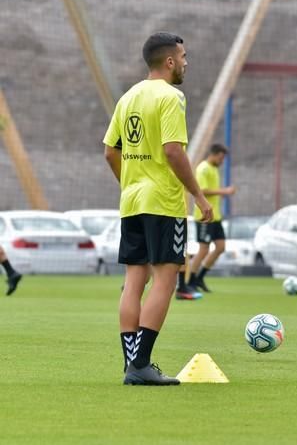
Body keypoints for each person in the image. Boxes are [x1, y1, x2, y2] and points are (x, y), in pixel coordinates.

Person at [103, 32, 213, 385]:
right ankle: (142, 363)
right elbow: (173, 151)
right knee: (166, 278)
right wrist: (197, 195)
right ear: (169, 61)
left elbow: (110, 151)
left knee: (134, 280)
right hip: (162, 201)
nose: (185, 62)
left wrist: (131, 183)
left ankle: (131, 364)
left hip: (131, 200)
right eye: (182, 56)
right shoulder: (171, 96)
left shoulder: (128, 97)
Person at [188, 143, 236, 292]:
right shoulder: (203, 168)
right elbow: (202, 190)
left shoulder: (214, 169)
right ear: (214, 154)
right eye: (221, 158)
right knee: (203, 249)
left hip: (215, 217)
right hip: (204, 216)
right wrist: (225, 192)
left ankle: (200, 277)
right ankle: (189, 281)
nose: (222, 161)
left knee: (220, 247)